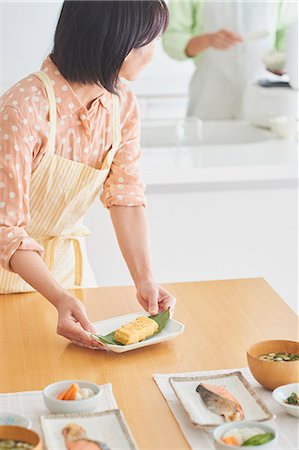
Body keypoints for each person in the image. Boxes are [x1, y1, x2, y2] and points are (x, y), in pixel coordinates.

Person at [0, 0, 176, 349]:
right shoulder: (23, 109)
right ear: (114, 41)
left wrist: (144, 281)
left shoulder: (121, 103)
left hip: (70, 278)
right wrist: (58, 297)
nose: (152, 53)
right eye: (147, 41)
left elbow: (125, 197)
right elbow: (5, 230)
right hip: (6, 281)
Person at [163, 1, 296, 119]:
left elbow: (287, 31)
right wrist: (207, 40)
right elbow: (172, 38)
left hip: (262, 100)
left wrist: (284, 60)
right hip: (209, 99)